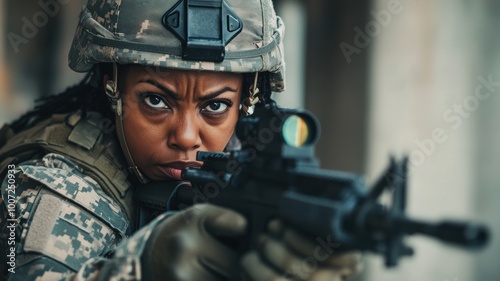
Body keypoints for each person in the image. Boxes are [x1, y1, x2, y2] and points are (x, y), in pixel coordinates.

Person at [0, 0, 362, 280]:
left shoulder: (243, 167)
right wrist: (145, 266)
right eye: (156, 100)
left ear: (247, 100)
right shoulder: (58, 185)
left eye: (216, 106)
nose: (187, 137)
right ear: (112, 86)